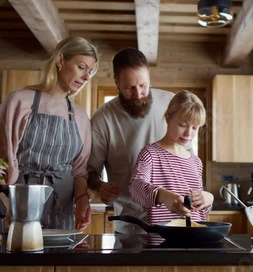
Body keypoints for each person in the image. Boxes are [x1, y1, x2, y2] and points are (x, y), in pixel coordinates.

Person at [0, 36, 99, 231]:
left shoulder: (80, 117)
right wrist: (12, 204)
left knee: (56, 261)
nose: (87, 77)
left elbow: (79, 172)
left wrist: (82, 200)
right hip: (15, 206)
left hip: (61, 211)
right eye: (81, 67)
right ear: (61, 61)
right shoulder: (19, 102)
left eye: (90, 71)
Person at [88, 47, 175, 234]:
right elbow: (89, 172)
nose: (138, 94)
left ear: (149, 78)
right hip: (130, 225)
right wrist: (100, 187)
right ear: (117, 83)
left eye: (143, 85)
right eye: (129, 87)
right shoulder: (102, 119)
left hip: (175, 224)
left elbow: (187, 158)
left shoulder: (172, 104)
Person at [129, 90, 214, 224]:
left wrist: (208, 199)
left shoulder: (196, 162)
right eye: (182, 125)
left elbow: (199, 212)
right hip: (161, 241)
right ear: (168, 118)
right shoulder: (150, 154)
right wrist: (163, 196)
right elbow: (135, 187)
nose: (188, 133)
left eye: (195, 128)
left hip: (195, 240)